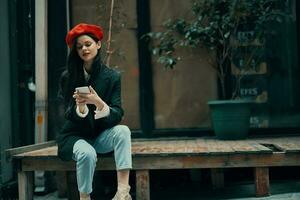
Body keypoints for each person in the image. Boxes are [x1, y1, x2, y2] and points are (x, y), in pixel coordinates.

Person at [56, 23, 132, 200]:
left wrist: (99, 103)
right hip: (75, 135)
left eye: (88, 44)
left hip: (99, 135)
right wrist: (80, 108)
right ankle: (84, 197)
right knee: (87, 153)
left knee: (123, 131)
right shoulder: (68, 77)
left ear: (98, 44)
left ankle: (123, 191)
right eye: (79, 46)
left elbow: (118, 113)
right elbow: (67, 113)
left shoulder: (112, 77)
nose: (84, 49)